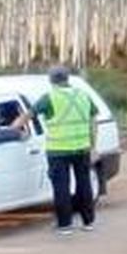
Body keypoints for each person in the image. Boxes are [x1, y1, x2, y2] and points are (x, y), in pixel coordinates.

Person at [32, 66, 98, 235]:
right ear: (67, 78)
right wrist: (93, 146)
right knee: (84, 185)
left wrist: (12, 127)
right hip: (82, 148)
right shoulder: (83, 95)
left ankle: (65, 225)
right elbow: (93, 121)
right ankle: (88, 221)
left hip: (58, 150)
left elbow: (28, 115)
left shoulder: (49, 98)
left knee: (61, 187)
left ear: (51, 80)